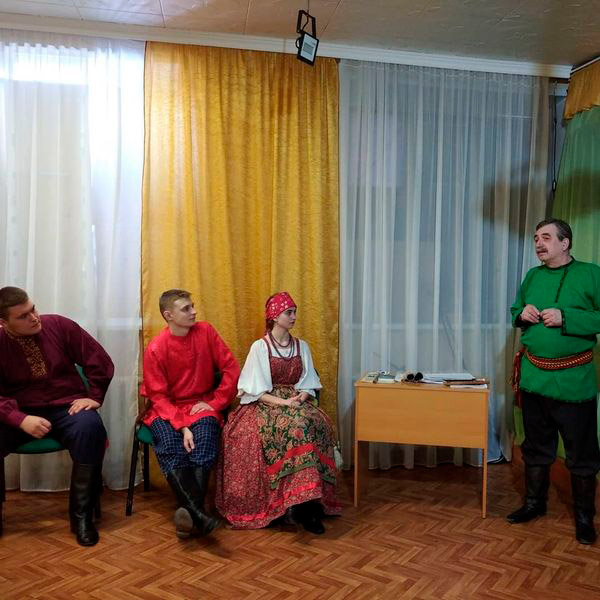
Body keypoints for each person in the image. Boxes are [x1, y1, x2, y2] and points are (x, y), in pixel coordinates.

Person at [216, 291, 341, 533]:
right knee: (294, 428)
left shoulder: (301, 346)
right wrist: (284, 404)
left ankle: (309, 503)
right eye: (289, 312)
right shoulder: (260, 347)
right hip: (267, 402)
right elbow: (255, 391)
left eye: (294, 312)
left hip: (295, 400)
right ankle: (293, 505)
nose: (294, 317)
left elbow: (308, 382)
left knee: (317, 424)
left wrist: (301, 397)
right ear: (274, 316)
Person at [508, 219, 600, 545]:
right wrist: (522, 314)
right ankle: (534, 504)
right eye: (536, 238)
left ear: (565, 242)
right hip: (534, 379)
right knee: (535, 447)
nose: (538, 243)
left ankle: (584, 518)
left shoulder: (591, 274)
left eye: (546, 237)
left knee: (581, 453)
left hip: (574, 382)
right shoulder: (532, 276)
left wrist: (567, 317)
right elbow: (515, 310)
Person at [0, 286, 114, 546]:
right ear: (4, 323)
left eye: (33, 309)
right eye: (23, 316)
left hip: (66, 407)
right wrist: (19, 419)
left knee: (89, 427)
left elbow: (99, 360)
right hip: (20, 411)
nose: (34, 318)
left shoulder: (60, 325)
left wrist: (94, 396)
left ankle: (81, 517)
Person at [142, 289, 240, 539]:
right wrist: (183, 426)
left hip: (201, 405)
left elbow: (231, 368)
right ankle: (199, 513)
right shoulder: (156, 348)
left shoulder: (206, 332)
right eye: (186, 309)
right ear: (169, 315)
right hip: (166, 410)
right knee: (170, 444)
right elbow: (158, 396)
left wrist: (216, 402)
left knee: (205, 439)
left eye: (192, 306)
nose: (194, 312)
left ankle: (189, 511)